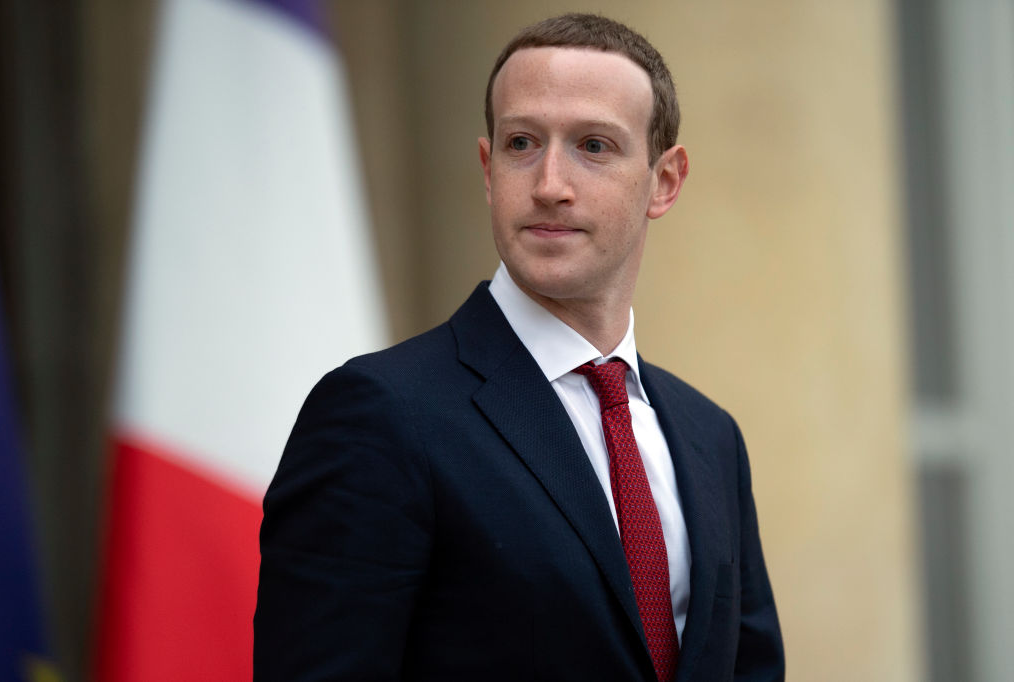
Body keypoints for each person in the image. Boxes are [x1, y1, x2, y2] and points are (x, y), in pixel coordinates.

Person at [254, 13, 784, 682]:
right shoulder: (379, 415)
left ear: (665, 181)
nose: (549, 184)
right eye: (523, 143)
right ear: (487, 167)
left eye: (593, 145)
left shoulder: (712, 438)